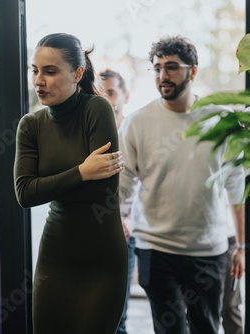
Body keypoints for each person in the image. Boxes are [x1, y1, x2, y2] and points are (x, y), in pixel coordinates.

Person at [118, 35, 246, 334]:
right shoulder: (136, 123)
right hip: (155, 249)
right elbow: (123, 184)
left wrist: (240, 246)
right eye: (157, 67)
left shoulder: (221, 120)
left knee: (206, 328)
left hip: (209, 250)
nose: (163, 75)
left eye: (172, 67)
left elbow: (236, 184)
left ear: (193, 70)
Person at [13, 33, 128, 334]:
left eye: (50, 71)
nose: (39, 80)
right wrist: (81, 171)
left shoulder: (97, 109)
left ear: (77, 74)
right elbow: (25, 193)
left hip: (102, 262)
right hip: (55, 259)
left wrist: (51, 183)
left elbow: (104, 190)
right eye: (35, 70)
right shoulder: (31, 125)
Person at [99, 69, 135, 334]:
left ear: (125, 96)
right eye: (101, 93)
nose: (107, 99)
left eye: (111, 92)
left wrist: (128, 218)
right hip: (93, 232)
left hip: (127, 233)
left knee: (118, 314)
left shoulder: (133, 131)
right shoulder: (91, 133)